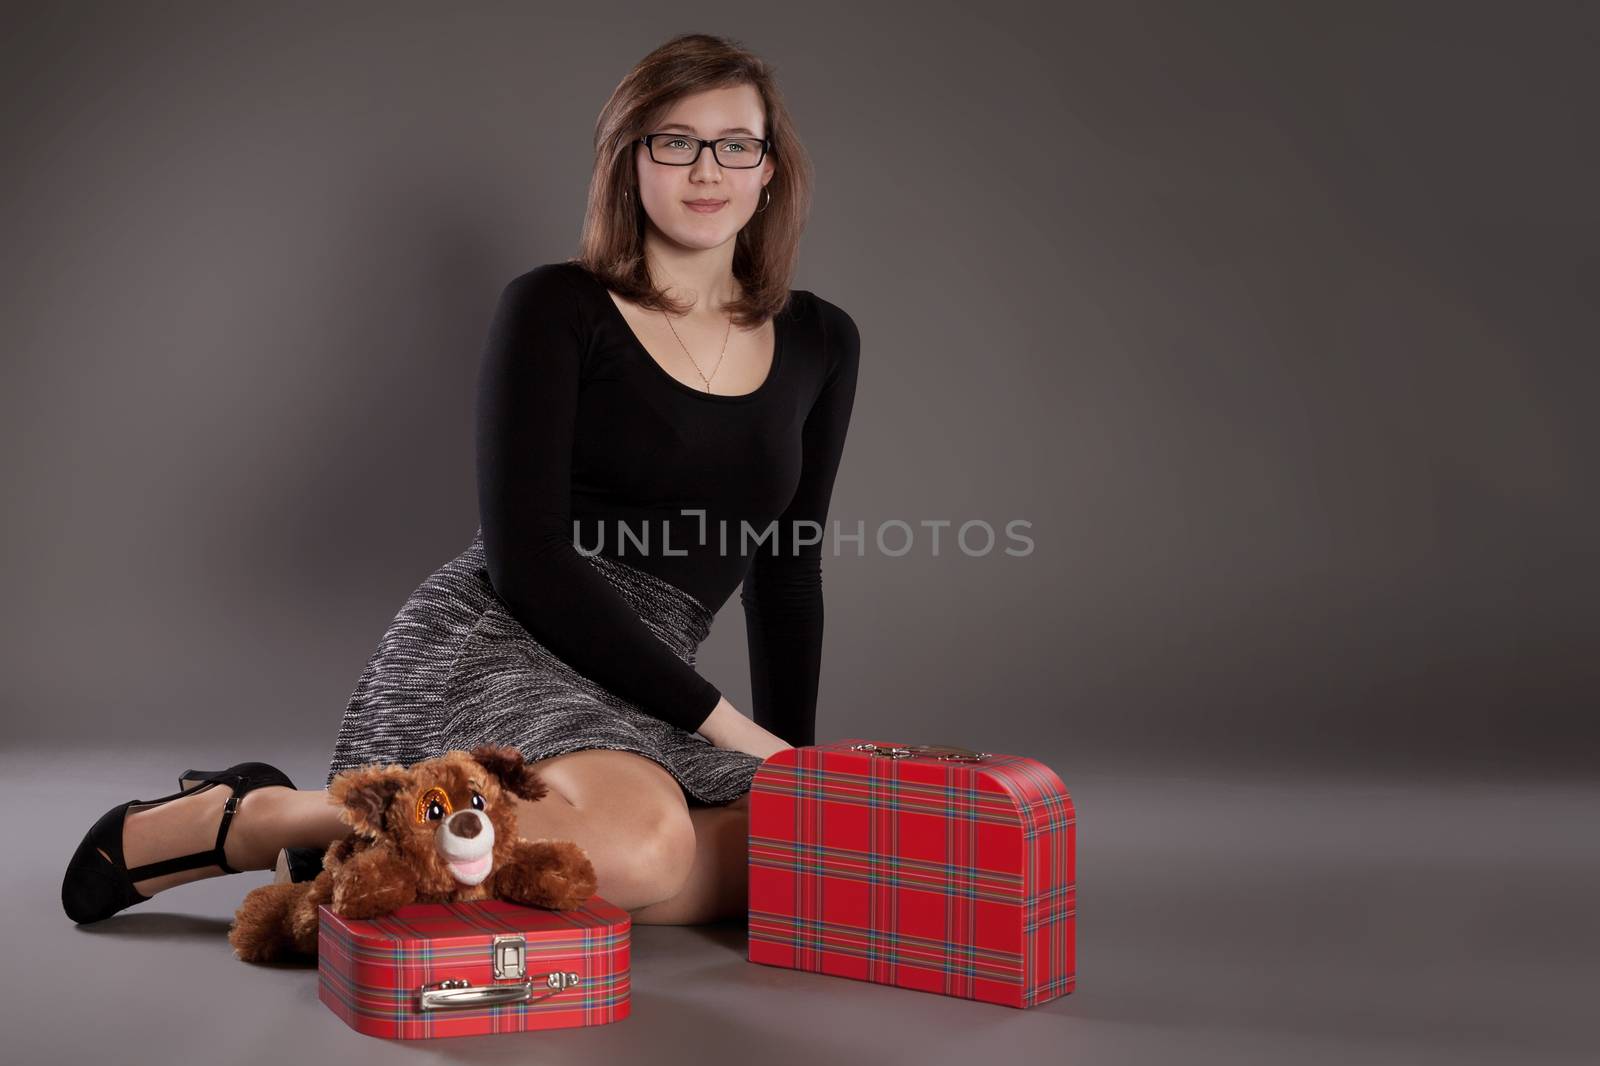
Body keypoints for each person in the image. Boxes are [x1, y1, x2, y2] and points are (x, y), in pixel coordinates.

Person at [60, 32, 860, 930]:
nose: (706, 170)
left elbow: (789, 572)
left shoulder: (822, 342)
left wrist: (800, 773)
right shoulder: (556, 308)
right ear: (628, 162)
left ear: (770, 170)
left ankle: (409, 839)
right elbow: (529, 558)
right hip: (507, 638)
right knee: (646, 851)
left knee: (780, 858)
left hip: (645, 675)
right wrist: (730, 729)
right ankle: (258, 819)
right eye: (673, 141)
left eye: (735, 145)